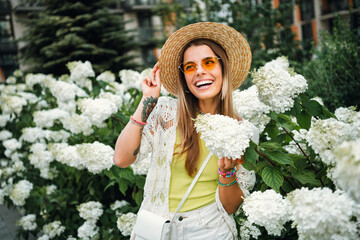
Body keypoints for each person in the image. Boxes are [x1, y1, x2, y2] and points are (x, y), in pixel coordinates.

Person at [113, 22, 256, 239]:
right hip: (158, 226)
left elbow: (230, 208)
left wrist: (227, 172)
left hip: (210, 229)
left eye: (209, 62)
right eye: (190, 67)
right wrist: (148, 101)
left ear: (223, 68)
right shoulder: (165, 113)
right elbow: (121, 159)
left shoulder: (243, 131)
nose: (199, 71)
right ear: (184, 78)